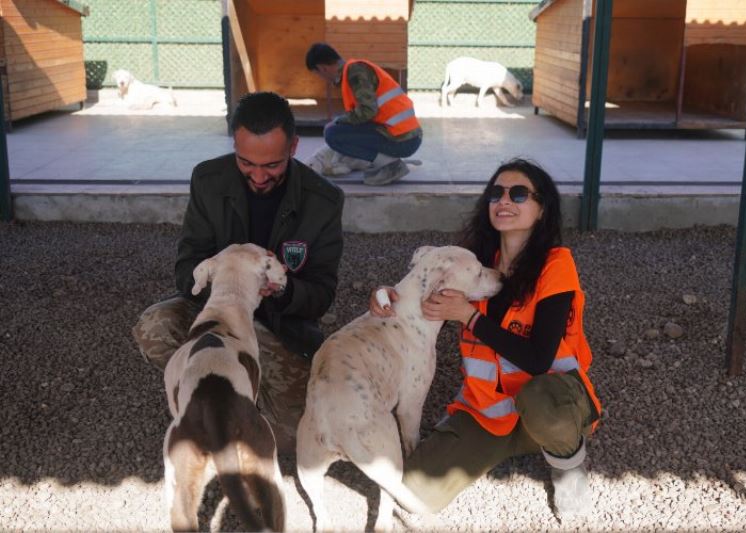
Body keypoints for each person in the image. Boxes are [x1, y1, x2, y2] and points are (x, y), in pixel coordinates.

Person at [369, 159, 601, 517]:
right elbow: (425, 309)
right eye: (496, 193)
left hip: (551, 402)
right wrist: (391, 297)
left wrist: (469, 316)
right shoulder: (471, 265)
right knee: (413, 494)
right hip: (487, 414)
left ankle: (567, 465)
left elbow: (539, 359)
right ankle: (496, 447)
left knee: (541, 400)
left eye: (519, 194)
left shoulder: (557, 265)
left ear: (542, 209)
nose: (504, 200)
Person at [132, 91, 345, 454]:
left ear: (293, 146)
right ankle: (214, 393)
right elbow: (186, 267)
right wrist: (223, 281)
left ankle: (241, 392)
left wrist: (283, 290)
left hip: (278, 329)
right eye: (246, 162)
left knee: (294, 441)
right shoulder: (208, 180)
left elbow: (322, 294)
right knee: (153, 328)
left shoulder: (323, 201)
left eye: (272, 165)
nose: (259, 176)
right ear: (234, 144)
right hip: (216, 317)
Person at [305, 42, 423, 186]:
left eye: (318, 74)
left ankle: (391, 166)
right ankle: (387, 162)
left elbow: (368, 111)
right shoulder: (354, 70)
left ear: (322, 68)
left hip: (403, 140)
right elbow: (366, 114)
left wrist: (338, 121)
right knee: (340, 129)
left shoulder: (355, 72)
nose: (322, 78)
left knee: (333, 134)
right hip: (402, 135)